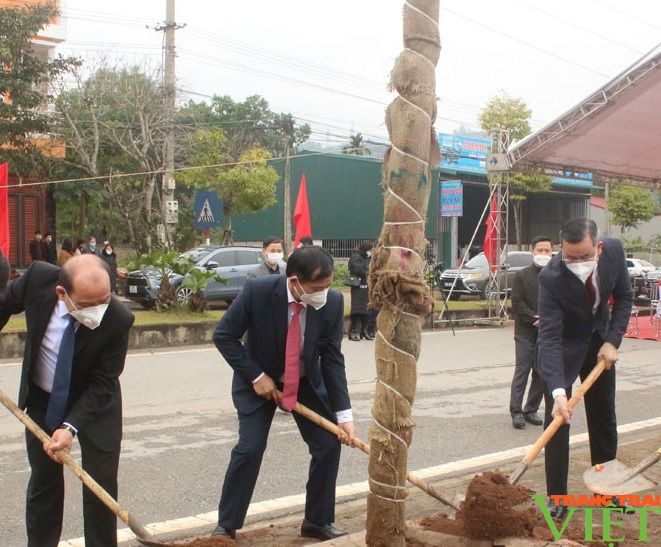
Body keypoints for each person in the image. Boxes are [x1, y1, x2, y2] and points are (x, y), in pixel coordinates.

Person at [211, 245, 355, 541]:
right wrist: (257, 376)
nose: (323, 293)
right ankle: (226, 526)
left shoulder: (332, 303)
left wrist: (344, 415)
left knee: (328, 445)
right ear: (294, 281)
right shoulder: (258, 292)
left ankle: (317, 520)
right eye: (317, 288)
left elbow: (332, 360)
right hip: (258, 381)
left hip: (304, 383)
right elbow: (224, 336)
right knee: (250, 449)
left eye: (328, 286)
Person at [0, 254, 135, 547]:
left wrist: (70, 427)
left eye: (105, 300)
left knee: (99, 485)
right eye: (88, 305)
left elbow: (103, 383)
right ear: (61, 294)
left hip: (95, 404)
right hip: (42, 400)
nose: (98, 311)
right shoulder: (37, 280)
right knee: (44, 482)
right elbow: (4, 305)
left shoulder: (118, 319)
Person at [536, 218, 633, 518]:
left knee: (603, 415)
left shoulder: (614, 252)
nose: (577, 263)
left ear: (599, 247)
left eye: (584, 257)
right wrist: (557, 392)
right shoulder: (551, 276)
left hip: (599, 340)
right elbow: (549, 336)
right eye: (570, 257)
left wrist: (613, 341)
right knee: (558, 421)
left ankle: (607, 490)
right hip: (563, 344)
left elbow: (625, 297)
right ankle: (557, 499)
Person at [509, 235, 553, 429]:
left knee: (541, 372)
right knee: (523, 369)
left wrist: (548, 319)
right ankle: (516, 411)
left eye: (547, 251)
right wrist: (534, 318)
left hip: (547, 332)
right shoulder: (522, 275)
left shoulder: (555, 276)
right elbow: (516, 302)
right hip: (525, 331)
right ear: (532, 252)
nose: (543, 254)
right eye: (540, 250)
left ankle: (531, 409)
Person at [347, 241, 374, 341]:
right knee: (357, 308)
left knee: (366, 308)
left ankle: (364, 330)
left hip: (367, 285)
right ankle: (353, 331)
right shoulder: (356, 256)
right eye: (371, 250)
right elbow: (357, 269)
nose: (372, 252)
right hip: (358, 285)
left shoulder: (369, 258)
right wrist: (368, 271)